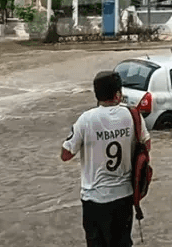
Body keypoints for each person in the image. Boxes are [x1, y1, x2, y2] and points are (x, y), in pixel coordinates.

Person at [62, 71, 151, 247]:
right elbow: (146, 146)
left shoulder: (86, 119)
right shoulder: (132, 116)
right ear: (118, 94)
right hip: (124, 197)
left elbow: (66, 155)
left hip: (94, 200)